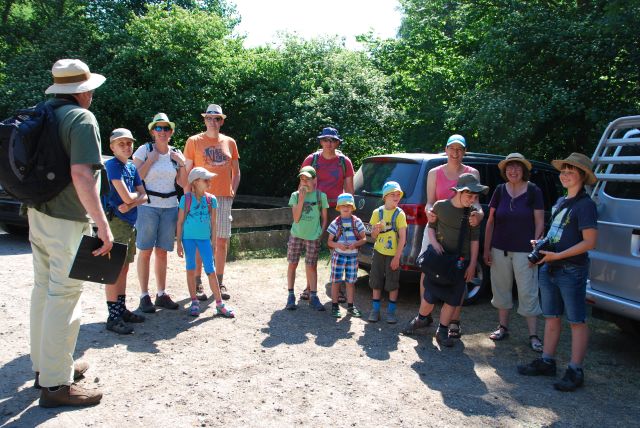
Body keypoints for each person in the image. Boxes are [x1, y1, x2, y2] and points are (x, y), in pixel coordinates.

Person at [29, 59, 112, 407]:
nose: (91, 93)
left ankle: (45, 367)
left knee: (44, 289)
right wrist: (102, 224)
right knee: (65, 294)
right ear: (82, 90)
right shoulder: (80, 118)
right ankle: (56, 385)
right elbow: (81, 175)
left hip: (37, 211)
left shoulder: (42, 112)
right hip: (65, 218)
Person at [518, 153, 598, 392]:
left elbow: (589, 242)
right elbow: (557, 235)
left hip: (571, 269)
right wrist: (542, 244)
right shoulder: (562, 202)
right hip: (550, 266)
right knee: (551, 317)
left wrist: (557, 256)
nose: (564, 175)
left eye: (570, 171)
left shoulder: (586, 205)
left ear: (582, 176)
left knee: (576, 321)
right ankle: (547, 361)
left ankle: (575, 370)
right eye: (563, 171)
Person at [402, 174, 486, 347]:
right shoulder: (440, 206)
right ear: (459, 192)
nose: (472, 200)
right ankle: (421, 319)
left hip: (460, 263)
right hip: (439, 261)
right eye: (469, 196)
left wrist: (472, 265)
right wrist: (434, 243)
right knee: (430, 295)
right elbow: (431, 227)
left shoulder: (473, 215)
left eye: (475, 197)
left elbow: (475, 241)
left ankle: (442, 330)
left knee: (453, 298)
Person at [418, 134, 483, 339]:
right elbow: (430, 202)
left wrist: (479, 215)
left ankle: (453, 320)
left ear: (464, 152)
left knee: (458, 274)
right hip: (436, 228)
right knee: (427, 267)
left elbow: (477, 203)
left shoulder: (473, 172)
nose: (455, 153)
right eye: (452, 148)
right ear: (445, 150)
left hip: (462, 231)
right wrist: (429, 211)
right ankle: (424, 315)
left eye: (460, 149)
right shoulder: (434, 173)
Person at [483, 153, 544, 351]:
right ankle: (503, 327)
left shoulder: (534, 191)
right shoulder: (500, 190)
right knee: (501, 289)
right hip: (499, 248)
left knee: (528, 292)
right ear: (505, 171)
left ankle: (533, 335)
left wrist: (536, 250)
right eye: (510, 167)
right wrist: (486, 248)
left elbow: (540, 222)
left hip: (525, 252)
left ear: (524, 170)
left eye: (517, 167)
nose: (513, 170)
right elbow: (490, 221)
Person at [184, 104, 240, 301]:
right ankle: (198, 282)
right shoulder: (194, 141)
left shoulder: (230, 142)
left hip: (223, 197)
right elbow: (187, 170)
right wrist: (188, 196)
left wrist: (232, 191)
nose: (213, 122)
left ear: (222, 121)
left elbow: (236, 170)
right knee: (201, 241)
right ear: (204, 120)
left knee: (222, 240)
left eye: (217, 119)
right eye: (209, 118)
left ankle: (219, 280)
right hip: (201, 197)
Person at [133, 113, 187, 313]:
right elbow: (135, 178)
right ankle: (144, 295)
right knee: (145, 250)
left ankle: (161, 294)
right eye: (158, 128)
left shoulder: (176, 153)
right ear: (152, 131)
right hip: (147, 206)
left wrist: (182, 163)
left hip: (170, 206)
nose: (162, 132)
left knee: (163, 252)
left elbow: (183, 183)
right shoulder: (144, 150)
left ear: (171, 132)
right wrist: (151, 159)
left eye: (166, 128)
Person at [300, 127, 356, 303]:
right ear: (321, 142)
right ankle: (310, 287)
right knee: (312, 248)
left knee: (337, 250)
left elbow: (349, 190)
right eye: (325, 140)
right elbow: (302, 185)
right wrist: (301, 206)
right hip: (314, 207)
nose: (329, 144)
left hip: (335, 209)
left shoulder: (344, 162)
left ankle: (337, 290)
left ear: (338, 142)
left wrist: (349, 212)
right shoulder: (312, 160)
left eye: (332, 140)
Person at [104, 128, 148, 334]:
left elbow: (143, 197)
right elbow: (129, 196)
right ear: (112, 147)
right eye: (121, 143)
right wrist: (132, 201)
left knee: (124, 268)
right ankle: (113, 316)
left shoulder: (131, 167)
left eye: (129, 143)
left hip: (129, 222)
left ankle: (121, 310)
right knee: (113, 269)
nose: (127, 147)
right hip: (116, 224)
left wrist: (131, 204)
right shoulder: (112, 166)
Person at [176, 167, 235, 318]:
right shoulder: (185, 199)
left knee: (211, 270)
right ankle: (194, 301)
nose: (209, 182)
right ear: (195, 182)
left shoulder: (211, 200)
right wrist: (178, 243)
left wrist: (213, 243)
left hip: (204, 240)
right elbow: (180, 222)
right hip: (188, 239)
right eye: (206, 179)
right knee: (190, 268)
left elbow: (214, 223)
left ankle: (219, 304)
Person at [285, 166, 329, 311]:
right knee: (292, 264)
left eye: (307, 179)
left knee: (311, 266)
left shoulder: (320, 196)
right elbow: (296, 218)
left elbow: (324, 218)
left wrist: (320, 234)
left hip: (312, 237)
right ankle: (290, 295)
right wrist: (302, 199)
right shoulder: (295, 195)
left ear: (314, 180)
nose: (304, 182)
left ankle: (313, 296)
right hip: (296, 235)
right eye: (302, 179)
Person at [367, 181, 408, 324]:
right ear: (385, 197)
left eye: (398, 194)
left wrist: (397, 257)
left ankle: (391, 312)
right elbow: (372, 235)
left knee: (392, 283)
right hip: (379, 252)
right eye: (393, 194)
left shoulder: (400, 214)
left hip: (393, 254)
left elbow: (403, 238)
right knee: (376, 280)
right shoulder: (377, 213)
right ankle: (375, 310)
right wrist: (376, 230)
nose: (396, 197)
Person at [326, 193, 367, 318]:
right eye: (343, 205)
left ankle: (350, 306)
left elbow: (364, 238)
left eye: (349, 205)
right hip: (338, 256)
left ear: (353, 207)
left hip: (353, 256)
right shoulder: (335, 223)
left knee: (350, 282)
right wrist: (338, 246)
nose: (346, 207)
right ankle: (334, 305)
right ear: (338, 207)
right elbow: (329, 242)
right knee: (336, 281)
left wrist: (355, 244)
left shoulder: (357, 222)